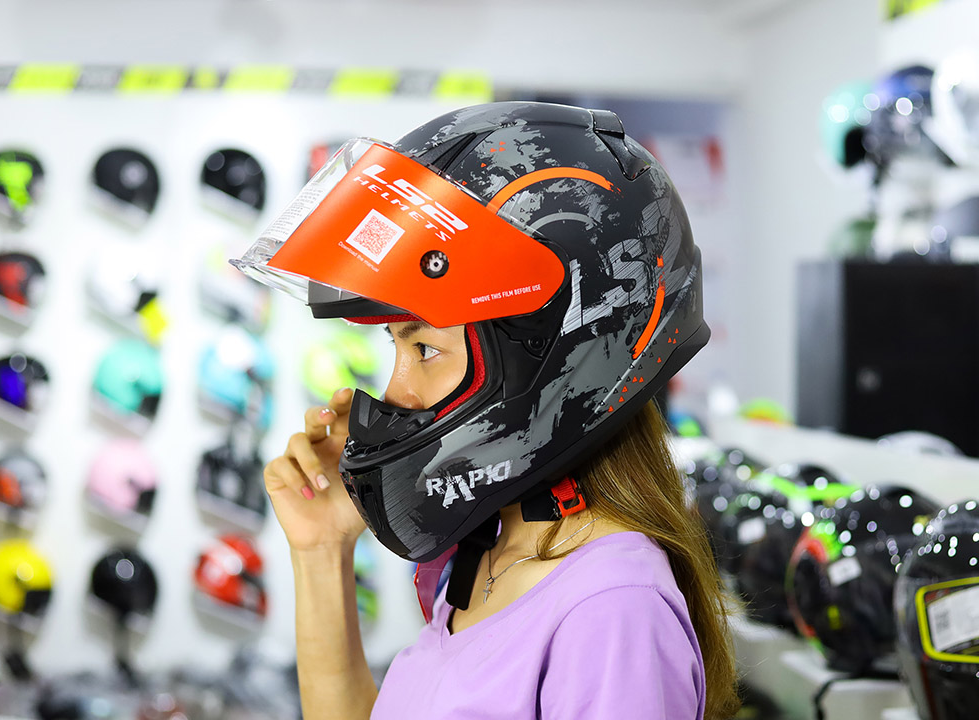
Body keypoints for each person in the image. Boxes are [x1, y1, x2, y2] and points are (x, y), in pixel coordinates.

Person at [235, 102, 739, 720]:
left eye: (425, 349)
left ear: (549, 354)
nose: (396, 392)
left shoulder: (610, 610)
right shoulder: (488, 552)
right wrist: (322, 551)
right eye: (396, 347)